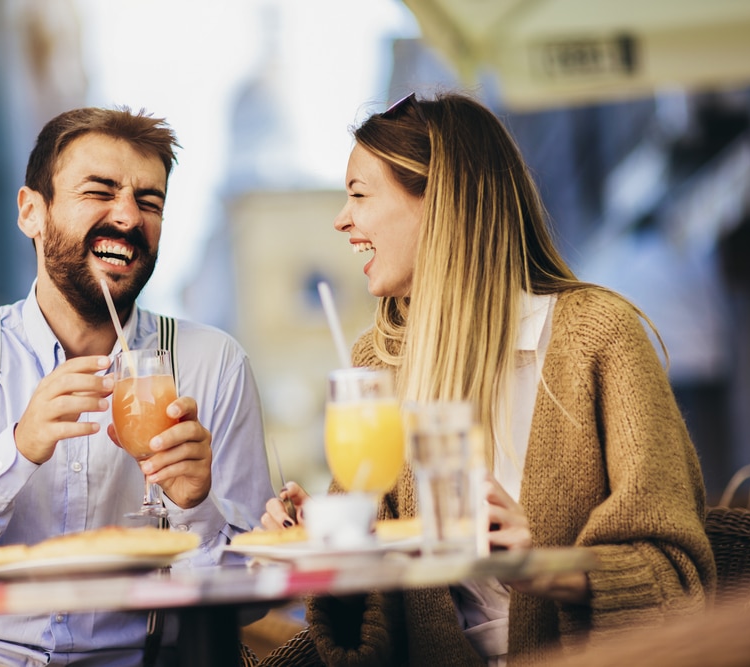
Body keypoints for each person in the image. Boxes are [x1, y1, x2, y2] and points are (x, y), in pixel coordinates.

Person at [256, 92, 717, 666]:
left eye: (358, 194)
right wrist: (317, 535)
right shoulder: (375, 363)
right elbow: (361, 634)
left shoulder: (597, 337)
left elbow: (675, 582)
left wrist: (547, 566)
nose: (341, 219)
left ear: (440, 199)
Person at [0, 106, 273, 666]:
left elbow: (250, 602)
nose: (127, 216)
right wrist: (15, 451)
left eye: (149, 202)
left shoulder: (211, 363)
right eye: (100, 191)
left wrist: (195, 506)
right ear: (32, 213)